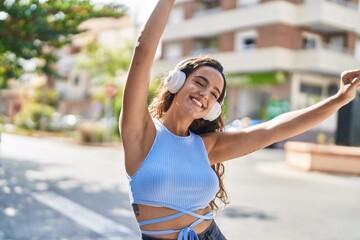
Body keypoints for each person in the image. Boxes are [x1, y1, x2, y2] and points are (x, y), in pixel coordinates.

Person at [119, 1, 360, 239]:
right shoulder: (140, 133)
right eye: (200, 82)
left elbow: (276, 128)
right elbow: (144, 48)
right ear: (176, 82)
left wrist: (338, 99)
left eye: (214, 94)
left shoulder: (207, 146)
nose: (205, 94)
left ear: (213, 109)